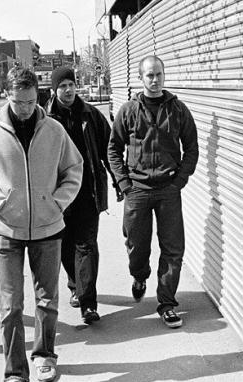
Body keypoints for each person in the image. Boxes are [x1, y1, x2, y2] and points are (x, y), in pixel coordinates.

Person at [0, 67, 83, 382]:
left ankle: (45, 356)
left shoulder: (54, 130)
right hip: (5, 230)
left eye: (32, 102)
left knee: (47, 300)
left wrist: (57, 203)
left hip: (48, 227)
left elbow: (74, 169)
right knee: (10, 306)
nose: (26, 109)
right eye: (19, 102)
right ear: (8, 96)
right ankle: (15, 374)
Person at [108, 55, 199, 328]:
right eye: (150, 75)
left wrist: (179, 181)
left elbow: (191, 148)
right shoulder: (128, 110)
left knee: (173, 248)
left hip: (168, 189)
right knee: (137, 246)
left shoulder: (178, 109)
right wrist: (124, 183)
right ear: (141, 78)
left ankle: (167, 303)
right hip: (137, 190)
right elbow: (113, 149)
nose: (155, 80)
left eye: (159, 74)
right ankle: (139, 275)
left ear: (164, 75)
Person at [45, 67, 123, 325]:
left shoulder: (90, 115)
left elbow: (108, 149)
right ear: (54, 90)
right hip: (59, 194)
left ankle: (88, 303)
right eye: (62, 86)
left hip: (88, 191)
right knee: (66, 245)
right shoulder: (46, 119)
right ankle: (75, 284)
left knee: (86, 245)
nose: (68, 90)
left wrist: (117, 180)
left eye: (71, 84)